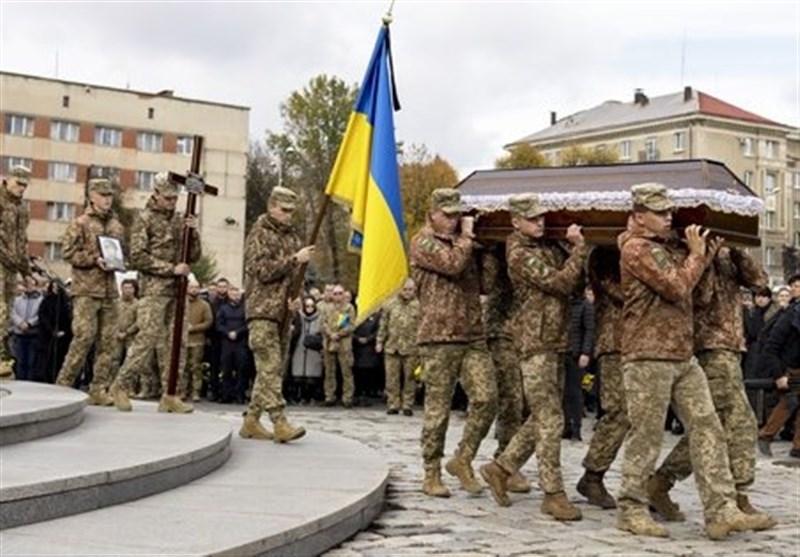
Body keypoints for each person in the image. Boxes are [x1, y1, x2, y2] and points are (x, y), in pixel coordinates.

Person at [612, 182, 773, 539]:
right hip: (647, 355)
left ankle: (721, 510)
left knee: (709, 427)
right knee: (647, 435)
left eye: (669, 210)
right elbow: (675, 287)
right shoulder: (637, 248)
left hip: (682, 354)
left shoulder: (667, 248)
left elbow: (695, 297)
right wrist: (697, 255)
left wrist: (706, 254)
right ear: (639, 216)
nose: (668, 216)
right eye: (659, 212)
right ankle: (631, 508)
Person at [648, 243, 775, 521]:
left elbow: (760, 282)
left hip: (730, 345)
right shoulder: (687, 251)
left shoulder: (730, 254)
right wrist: (704, 254)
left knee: (716, 425)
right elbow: (699, 297)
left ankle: (661, 483)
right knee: (736, 422)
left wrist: (739, 249)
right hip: (709, 346)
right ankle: (734, 496)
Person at [480, 193, 587, 520]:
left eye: (542, 218)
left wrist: (571, 249)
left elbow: (577, 286)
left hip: (554, 340)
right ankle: (553, 493)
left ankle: (501, 468)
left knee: (540, 417)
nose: (540, 222)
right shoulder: (519, 252)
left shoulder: (547, 246)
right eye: (533, 218)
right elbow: (559, 282)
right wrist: (579, 249)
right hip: (535, 342)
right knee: (551, 418)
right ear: (515, 221)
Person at [410, 188, 498, 498]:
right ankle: (431, 471)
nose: (453, 220)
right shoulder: (422, 243)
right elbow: (451, 265)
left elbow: (486, 285)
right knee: (438, 409)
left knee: (488, 398)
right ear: (431, 214)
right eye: (447, 215)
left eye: (457, 215)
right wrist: (467, 238)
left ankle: (463, 458)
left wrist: (487, 251)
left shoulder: (465, 244)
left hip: (472, 334)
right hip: (439, 336)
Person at [110, 172, 200, 414]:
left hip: (177, 291)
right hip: (154, 289)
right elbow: (137, 257)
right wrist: (171, 269)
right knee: (147, 337)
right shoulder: (145, 219)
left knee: (177, 341)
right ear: (156, 195)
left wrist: (193, 232)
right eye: (168, 198)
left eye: (175, 198)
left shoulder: (179, 220)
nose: (172, 202)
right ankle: (120, 386)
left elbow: (193, 256)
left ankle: (171, 394)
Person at [238, 186, 312, 443]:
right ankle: (280, 422)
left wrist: (296, 298)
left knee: (272, 370)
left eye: (292, 211)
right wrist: (294, 259)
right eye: (284, 210)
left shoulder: (292, 237)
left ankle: (251, 421)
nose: (288, 215)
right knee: (269, 367)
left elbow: (296, 277)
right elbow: (260, 270)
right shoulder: (260, 233)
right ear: (271, 207)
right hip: (262, 310)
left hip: (283, 312)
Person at [55, 178, 126, 405]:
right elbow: (68, 252)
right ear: (92, 197)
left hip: (109, 291)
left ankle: (98, 389)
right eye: (102, 195)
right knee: (83, 337)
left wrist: (118, 261)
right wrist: (94, 259)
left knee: (108, 343)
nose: (107, 199)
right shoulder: (80, 223)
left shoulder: (116, 225)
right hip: (86, 290)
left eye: (110, 195)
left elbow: (123, 252)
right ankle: (63, 386)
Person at [575, 246, 627, 509]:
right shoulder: (605, 254)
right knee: (618, 412)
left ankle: (654, 483)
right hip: (615, 342)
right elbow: (624, 293)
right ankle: (593, 474)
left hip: (645, 343)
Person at [480, 246, 531, 493]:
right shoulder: (498, 251)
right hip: (503, 330)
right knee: (512, 398)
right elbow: (487, 284)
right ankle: (504, 460)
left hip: (529, 333)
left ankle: (509, 460)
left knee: (527, 402)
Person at [757, 273, 800, 458]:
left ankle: (798, 447)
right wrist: (778, 374)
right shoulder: (790, 313)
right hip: (790, 367)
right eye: (796, 285)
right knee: (789, 402)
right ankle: (766, 436)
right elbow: (771, 345)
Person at [0, 165, 33, 380]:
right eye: (18, 183)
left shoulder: (22, 209)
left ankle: (2, 359)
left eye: (25, 185)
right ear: (6, 180)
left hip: (11, 267)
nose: (22, 188)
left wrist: (26, 271)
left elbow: (22, 241)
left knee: (6, 312)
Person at [376, 278, 420, 416]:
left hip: (411, 348)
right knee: (391, 378)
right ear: (400, 289)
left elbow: (423, 327)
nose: (407, 292)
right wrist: (379, 341)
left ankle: (407, 405)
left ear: (415, 290)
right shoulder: (390, 304)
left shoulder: (419, 306)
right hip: (392, 346)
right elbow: (383, 324)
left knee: (410, 378)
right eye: (405, 289)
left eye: (410, 290)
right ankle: (393, 404)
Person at [564, 285, 595, 441]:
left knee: (575, 393)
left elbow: (589, 330)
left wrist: (586, 352)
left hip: (577, 354)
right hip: (562, 351)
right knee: (562, 393)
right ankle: (565, 426)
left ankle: (576, 428)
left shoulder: (585, 306)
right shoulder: (564, 303)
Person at [321, 285, 356, 407]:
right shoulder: (326, 308)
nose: (337, 296)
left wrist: (339, 334)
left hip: (344, 343)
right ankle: (329, 396)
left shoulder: (349, 308)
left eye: (340, 293)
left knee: (346, 371)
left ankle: (347, 398)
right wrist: (330, 334)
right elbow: (323, 323)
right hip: (329, 343)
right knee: (329, 371)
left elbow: (351, 325)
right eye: (335, 293)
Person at [216, 285, 249, 403]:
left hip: (240, 342)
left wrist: (238, 333)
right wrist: (227, 333)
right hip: (227, 342)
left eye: (238, 294)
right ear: (229, 295)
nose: (236, 296)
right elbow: (218, 325)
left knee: (241, 369)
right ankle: (226, 395)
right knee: (226, 370)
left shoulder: (245, 309)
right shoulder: (223, 309)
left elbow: (248, 325)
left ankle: (239, 395)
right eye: (233, 294)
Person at [288, 296, 324, 404]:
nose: (309, 308)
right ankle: (300, 397)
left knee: (312, 375)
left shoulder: (319, 318)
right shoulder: (299, 317)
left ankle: (312, 397)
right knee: (298, 374)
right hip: (300, 348)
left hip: (314, 350)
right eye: (307, 306)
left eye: (312, 306)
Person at [37, 278, 73, 383]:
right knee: (48, 362)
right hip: (49, 337)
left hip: (64, 337)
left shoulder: (66, 302)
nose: (54, 289)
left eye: (57, 287)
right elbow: (43, 317)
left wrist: (64, 332)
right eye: (53, 286)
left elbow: (69, 319)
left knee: (60, 361)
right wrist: (52, 330)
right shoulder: (46, 301)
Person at [10, 275, 43, 381]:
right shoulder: (17, 299)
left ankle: (30, 383)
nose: (28, 286)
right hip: (19, 334)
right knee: (20, 362)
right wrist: (20, 323)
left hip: (33, 335)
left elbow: (41, 315)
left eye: (31, 283)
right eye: (26, 283)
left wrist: (29, 323)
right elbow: (12, 312)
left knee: (31, 362)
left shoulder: (41, 300)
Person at [185, 278, 213, 402]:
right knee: (183, 367)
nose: (194, 289)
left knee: (196, 367)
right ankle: (182, 391)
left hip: (197, 341)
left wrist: (194, 328)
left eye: (196, 287)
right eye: (191, 287)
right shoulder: (181, 303)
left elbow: (209, 321)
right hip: (183, 341)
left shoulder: (204, 305)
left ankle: (196, 392)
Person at [352, 308, 382, 405]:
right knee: (357, 372)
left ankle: (367, 395)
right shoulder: (355, 315)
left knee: (368, 371)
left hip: (370, 347)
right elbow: (348, 328)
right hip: (356, 347)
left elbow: (379, 330)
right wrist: (357, 338)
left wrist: (368, 339)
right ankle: (357, 394)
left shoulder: (376, 317)